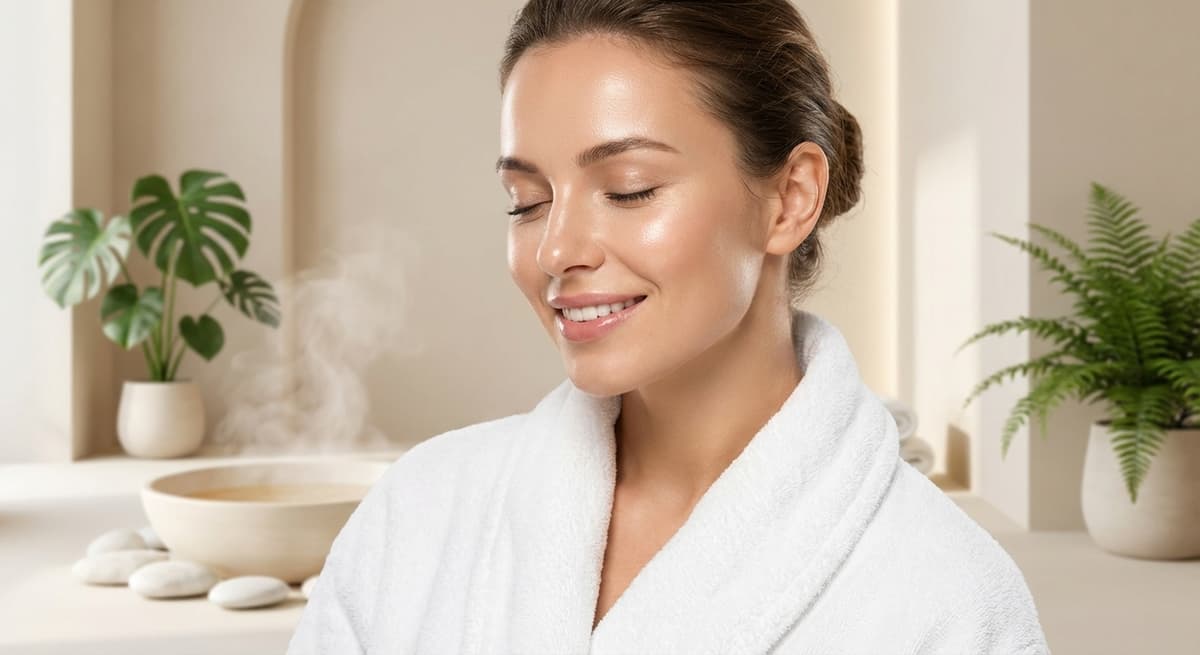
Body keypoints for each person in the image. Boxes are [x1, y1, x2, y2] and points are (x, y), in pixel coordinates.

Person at [288, 1, 1051, 653]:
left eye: (629, 188)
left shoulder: (949, 601)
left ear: (790, 198)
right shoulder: (420, 515)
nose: (555, 249)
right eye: (526, 200)